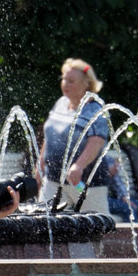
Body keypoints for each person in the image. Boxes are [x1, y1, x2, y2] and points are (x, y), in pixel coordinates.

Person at [36, 58, 111, 214]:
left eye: (71, 81)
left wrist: (79, 166)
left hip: (86, 182)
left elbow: (96, 142)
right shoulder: (61, 103)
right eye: (63, 79)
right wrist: (41, 161)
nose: (65, 84)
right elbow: (50, 134)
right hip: (54, 179)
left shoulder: (94, 109)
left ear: (86, 84)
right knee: (44, 223)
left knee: (94, 227)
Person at [106, 155, 138, 221]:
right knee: (130, 209)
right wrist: (106, 173)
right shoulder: (84, 160)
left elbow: (117, 183)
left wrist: (124, 197)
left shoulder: (107, 159)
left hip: (116, 198)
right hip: (99, 199)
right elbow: (82, 186)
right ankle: (132, 231)